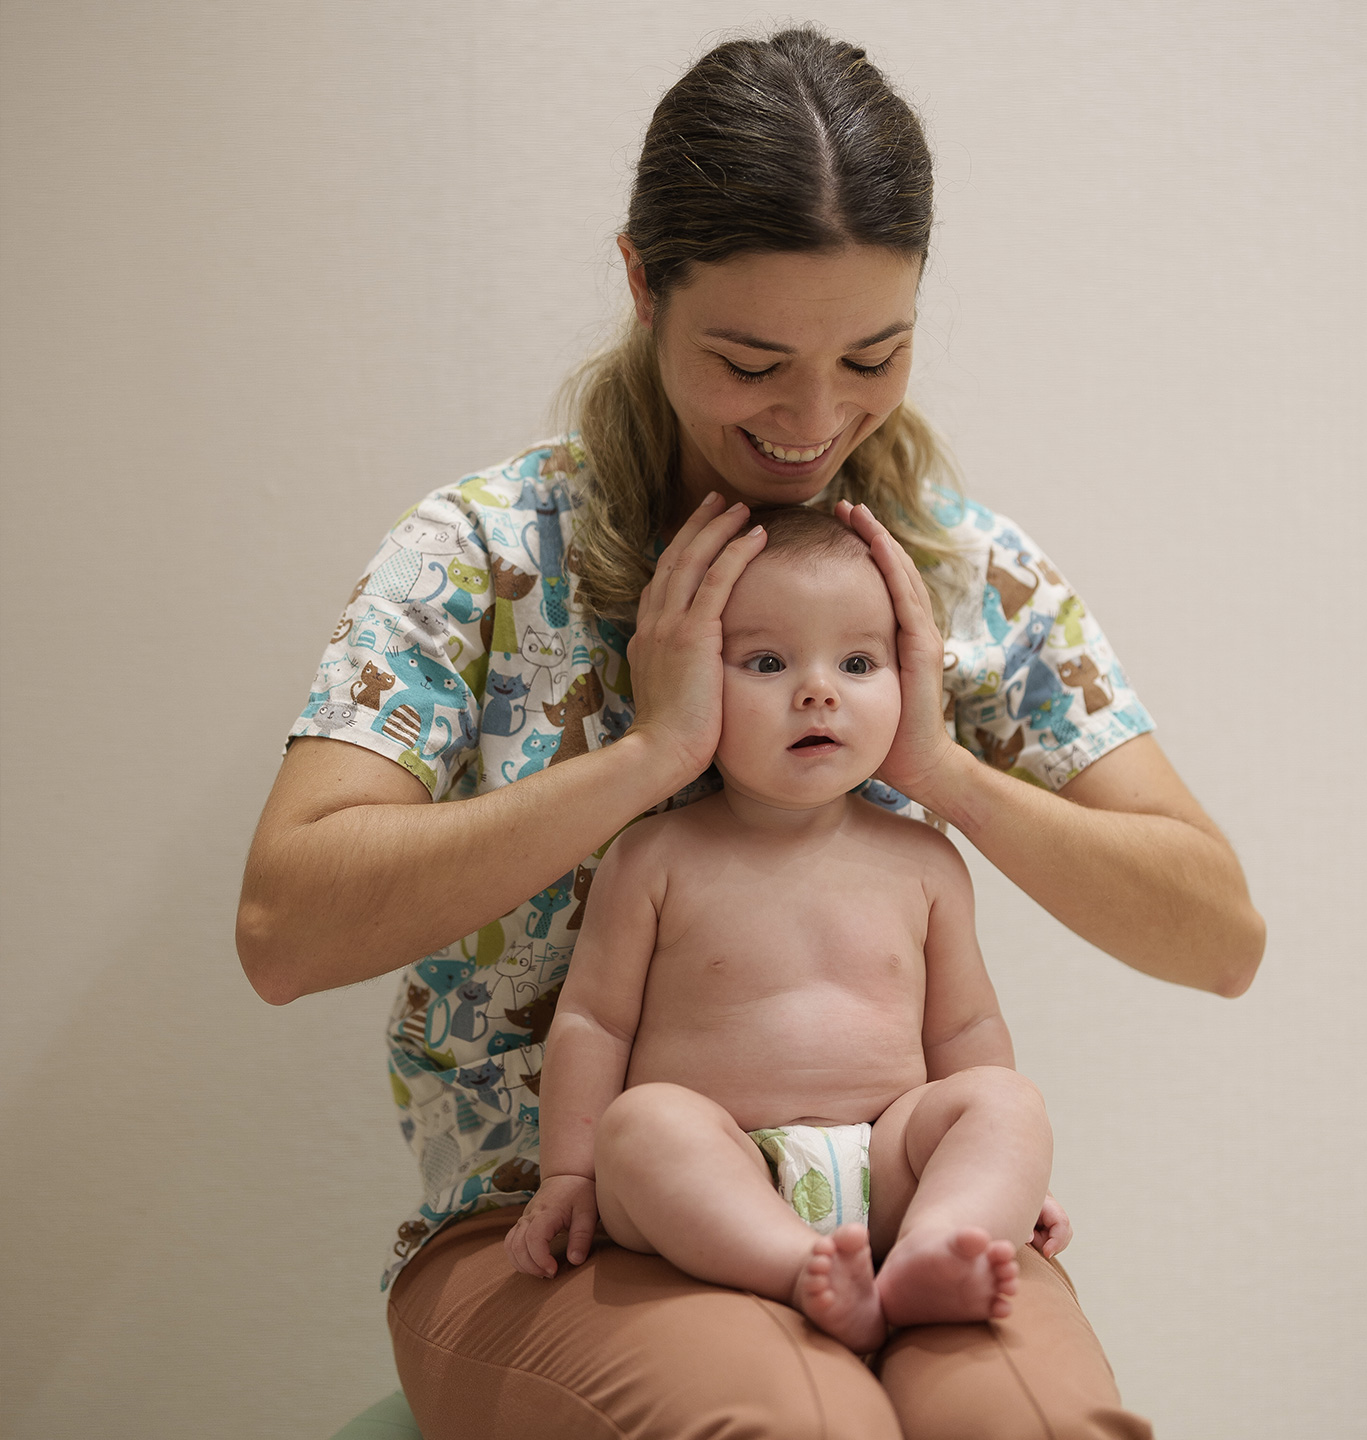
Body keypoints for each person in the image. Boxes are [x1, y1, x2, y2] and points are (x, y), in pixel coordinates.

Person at [237, 25, 1264, 1440]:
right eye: (752, 359)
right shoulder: (477, 557)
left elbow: (1218, 938)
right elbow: (285, 931)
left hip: (897, 1208)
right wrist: (648, 760)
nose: (815, 417)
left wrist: (946, 773)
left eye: (874, 354)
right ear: (642, 284)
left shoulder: (962, 574)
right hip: (556, 1229)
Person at [504, 506, 1061, 1357]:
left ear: (911, 680)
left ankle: (940, 1244)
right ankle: (797, 1267)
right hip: (722, 1164)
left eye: (859, 662)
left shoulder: (925, 862)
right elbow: (594, 1023)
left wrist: (992, 1181)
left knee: (1009, 1103)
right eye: (766, 662)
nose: (818, 690)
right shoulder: (655, 855)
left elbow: (964, 1030)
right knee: (645, 1124)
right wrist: (571, 1175)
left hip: (888, 1169)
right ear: (692, 678)